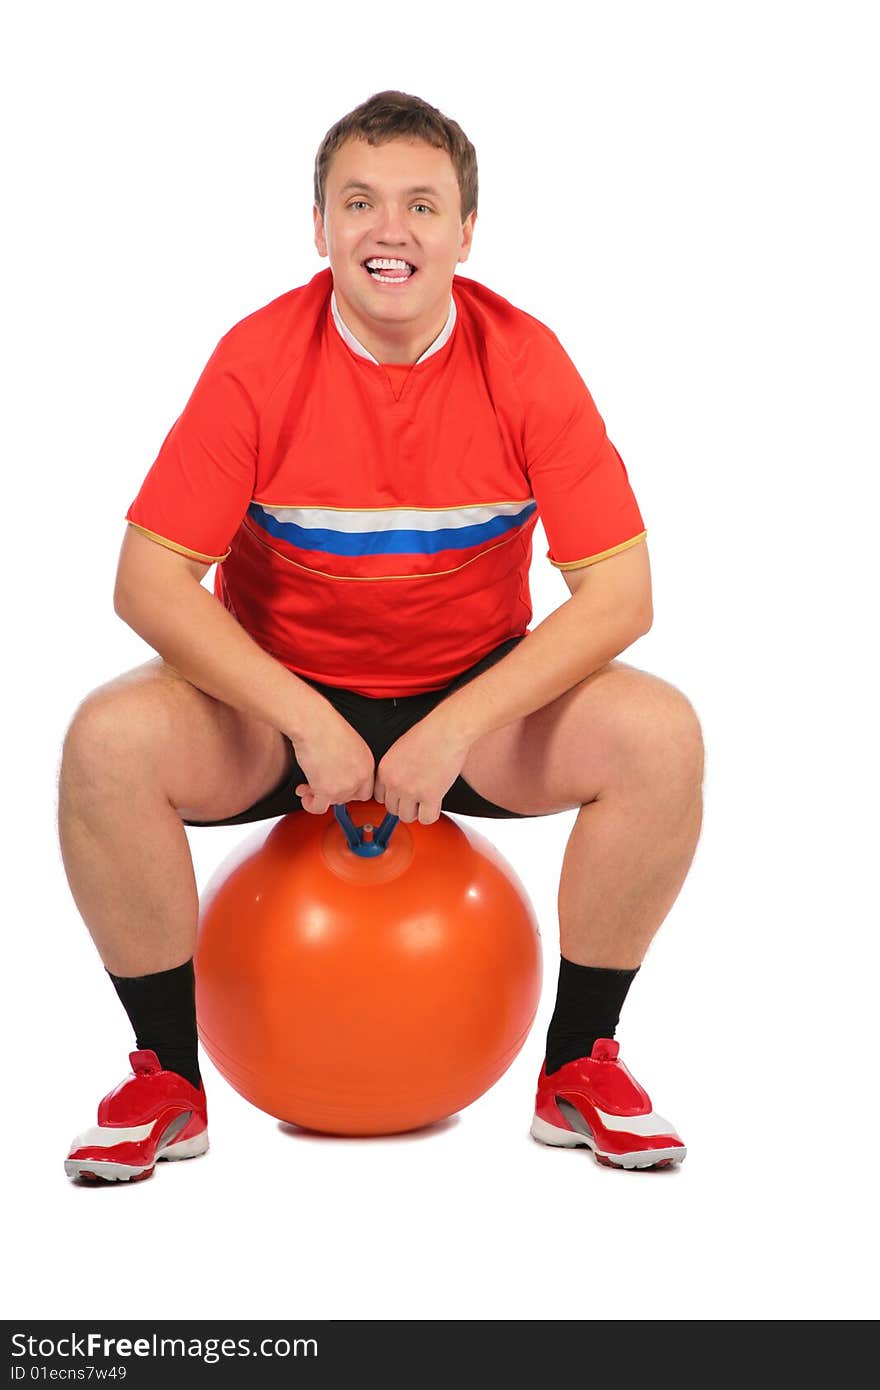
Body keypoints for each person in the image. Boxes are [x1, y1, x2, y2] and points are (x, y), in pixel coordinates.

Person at [58, 89, 704, 1183]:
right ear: (320, 229)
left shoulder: (524, 361)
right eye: (358, 202)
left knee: (662, 735)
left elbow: (618, 594)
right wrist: (305, 718)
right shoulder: (258, 360)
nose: (389, 229)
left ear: (464, 233)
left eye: (420, 204)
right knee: (105, 740)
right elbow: (150, 581)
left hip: (471, 703)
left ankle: (578, 1067)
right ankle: (165, 1079)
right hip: (274, 707)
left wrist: (453, 729)